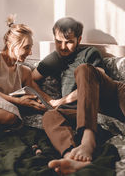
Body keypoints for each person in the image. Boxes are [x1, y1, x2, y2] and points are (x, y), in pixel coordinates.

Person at [32, 17, 125, 175]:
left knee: (84, 70)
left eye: (68, 42)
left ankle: (88, 140)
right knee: (50, 115)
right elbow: (32, 78)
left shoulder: (89, 52)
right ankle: (72, 156)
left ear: (79, 39)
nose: (63, 47)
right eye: (58, 41)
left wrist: (61, 100)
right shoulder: (54, 59)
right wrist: (48, 100)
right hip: (82, 112)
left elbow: (94, 79)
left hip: (106, 98)